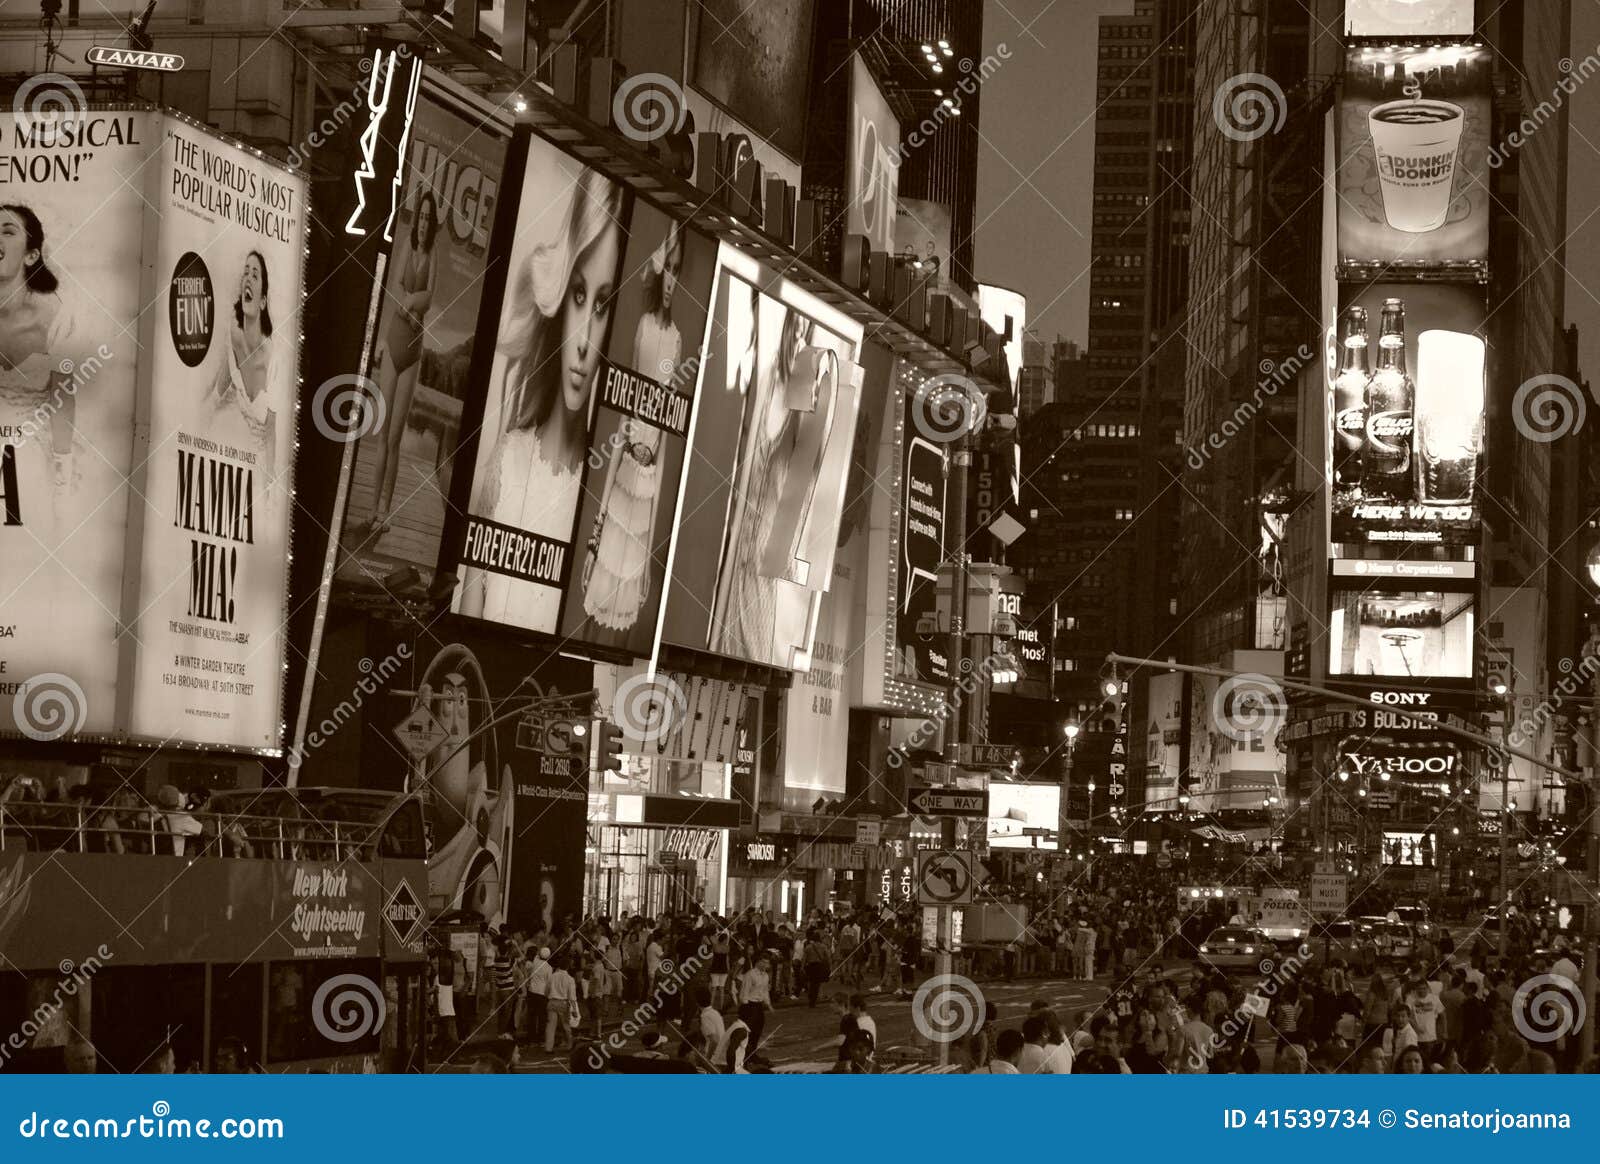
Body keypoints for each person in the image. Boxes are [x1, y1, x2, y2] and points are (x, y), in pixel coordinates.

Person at [459, 167, 626, 627]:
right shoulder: (508, 463)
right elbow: (465, 632)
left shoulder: (606, 495)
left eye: (604, 305)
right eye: (578, 294)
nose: (583, 341)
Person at [579, 223, 684, 639]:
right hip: (623, 473)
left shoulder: (676, 339)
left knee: (623, 607)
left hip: (645, 486)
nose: (671, 279)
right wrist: (594, 536)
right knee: (597, 594)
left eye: (678, 270)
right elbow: (627, 416)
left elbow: (662, 437)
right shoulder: (644, 324)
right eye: (668, 268)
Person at [208, 251, 278, 482]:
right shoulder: (233, 335)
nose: (248, 277)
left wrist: (268, 487)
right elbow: (217, 391)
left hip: (260, 468)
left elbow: (272, 435)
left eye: (255, 274)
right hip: (234, 461)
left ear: (263, 301)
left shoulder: (274, 358)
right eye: (245, 272)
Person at [738, 956, 774, 1057]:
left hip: (758, 1005)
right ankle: (744, 1053)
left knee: (758, 1029)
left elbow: (765, 991)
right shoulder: (750, 975)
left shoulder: (766, 976)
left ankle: (752, 1052)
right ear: (758, 962)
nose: (767, 965)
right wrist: (745, 1007)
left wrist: (768, 1004)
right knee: (748, 1031)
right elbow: (744, 991)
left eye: (768, 963)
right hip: (749, 1004)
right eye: (764, 962)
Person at [544, 956, 577, 1053]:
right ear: (568, 967)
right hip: (563, 1002)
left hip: (552, 1001)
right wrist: (574, 1009)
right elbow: (572, 996)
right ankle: (569, 1044)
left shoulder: (553, 976)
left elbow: (546, 990)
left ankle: (548, 1048)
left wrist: (548, 997)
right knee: (566, 1025)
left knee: (550, 1026)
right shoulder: (570, 979)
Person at [694, 985, 724, 1065]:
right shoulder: (715, 1012)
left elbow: (714, 1040)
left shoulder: (705, 1016)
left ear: (696, 1002)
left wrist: (707, 1059)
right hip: (721, 1052)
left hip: (715, 1057)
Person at [802, 928, 831, 1008]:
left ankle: (811, 998)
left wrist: (802, 967)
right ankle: (813, 1000)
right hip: (819, 966)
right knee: (817, 984)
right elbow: (828, 958)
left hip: (811, 966)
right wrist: (829, 966)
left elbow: (804, 959)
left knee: (811, 983)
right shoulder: (823, 947)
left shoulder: (808, 947)